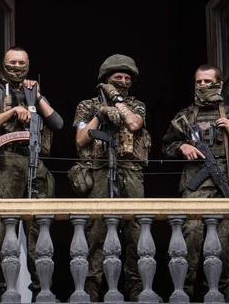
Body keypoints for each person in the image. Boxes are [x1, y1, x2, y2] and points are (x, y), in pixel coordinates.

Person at [162, 64, 229, 300]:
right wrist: (182, 146)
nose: (202, 85)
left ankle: (215, 297)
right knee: (189, 245)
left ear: (218, 83)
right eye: (199, 82)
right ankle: (185, 296)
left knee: (222, 252)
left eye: (207, 81)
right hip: (194, 192)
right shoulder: (185, 117)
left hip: (225, 192)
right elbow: (165, 147)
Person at [0, 46, 63, 301]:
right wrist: (14, 111)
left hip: (35, 162)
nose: (17, 66)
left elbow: (57, 123)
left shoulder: (34, 92)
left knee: (40, 228)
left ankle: (42, 291)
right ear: (4, 65)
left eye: (21, 62)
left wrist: (35, 97)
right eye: (12, 62)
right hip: (6, 161)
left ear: (28, 65)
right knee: (0, 229)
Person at [70, 54, 151, 301]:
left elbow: (135, 124)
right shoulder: (86, 106)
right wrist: (101, 112)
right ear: (106, 79)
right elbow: (81, 138)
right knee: (95, 236)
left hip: (131, 175)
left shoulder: (136, 105)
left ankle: (138, 294)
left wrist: (117, 101)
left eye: (128, 78)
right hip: (99, 175)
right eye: (118, 77)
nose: (124, 81)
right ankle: (91, 294)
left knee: (136, 237)